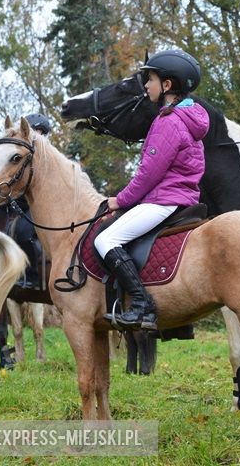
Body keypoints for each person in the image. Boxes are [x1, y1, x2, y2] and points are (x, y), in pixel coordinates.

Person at [94, 49, 209, 330]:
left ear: (167, 85)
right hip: (180, 198)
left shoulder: (168, 121)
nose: (146, 86)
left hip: (164, 199)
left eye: (151, 79)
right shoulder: (187, 118)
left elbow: (148, 175)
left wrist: (118, 200)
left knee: (105, 241)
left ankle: (142, 305)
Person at [11, 113, 52, 289]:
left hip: (43, 207)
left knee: (23, 231)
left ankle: (32, 276)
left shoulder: (47, 158)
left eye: (42, 132)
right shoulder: (21, 156)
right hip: (21, 204)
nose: (39, 135)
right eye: (36, 130)